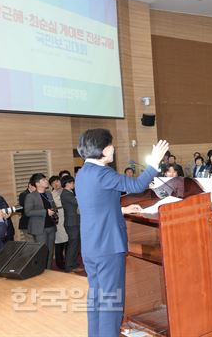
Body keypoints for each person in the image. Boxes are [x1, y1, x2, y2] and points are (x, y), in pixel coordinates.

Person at [75, 128, 169, 337]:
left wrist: (121, 209)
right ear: (103, 149)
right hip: (108, 247)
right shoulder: (103, 173)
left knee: (98, 299)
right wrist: (154, 162)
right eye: (111, 144)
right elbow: (136, 185)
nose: (113, 148)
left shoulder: (82, 173)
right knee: (111, 303)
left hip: (91, 247)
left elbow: (93, 205)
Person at [24, 173, 57, 269]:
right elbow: (28, 212)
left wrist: (53, 210)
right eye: (44, 180)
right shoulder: (31, 196)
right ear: (37, 183)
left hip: (51, 226)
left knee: (50, 251)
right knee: (42, 252)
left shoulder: (48, 194)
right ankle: (41, 272)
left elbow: (53, 206)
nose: (46, 181)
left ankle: (49, 271)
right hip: (39, 228)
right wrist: (45, 212)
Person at [60, 176, 81, 272]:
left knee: (76, 244)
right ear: (68, 183)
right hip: (71, 223)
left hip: (75, 222)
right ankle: (68, 267)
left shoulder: (70, 192)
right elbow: (77, 202)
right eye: (73, 183)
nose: (74, 184)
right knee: (73, 245)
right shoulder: (65, 194)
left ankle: (73, 264)